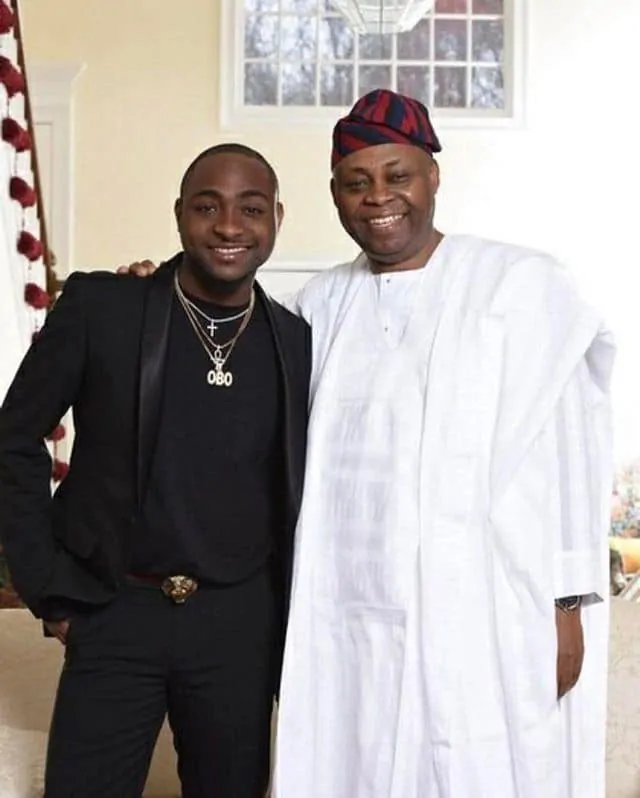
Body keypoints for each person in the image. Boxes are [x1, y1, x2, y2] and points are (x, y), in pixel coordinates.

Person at [122, 90, 615, 798]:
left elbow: (568, 451)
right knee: (353, 762)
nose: (378, 197)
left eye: (397, 175)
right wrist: (154, 296)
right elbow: (223, 376)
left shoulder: (519, 286)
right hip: (347, 610)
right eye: (356, 182)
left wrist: (566, 606)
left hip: (485, 608)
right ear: (334, 195)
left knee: (479, 767)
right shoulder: (318, 306)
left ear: (433, 176)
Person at [0, 142, 311, 798]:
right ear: (179, 214)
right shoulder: (105, 308)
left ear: (277, 218)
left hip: (238, 627)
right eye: (208, 207)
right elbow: (13, 438)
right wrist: (48, 587)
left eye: (251, 209)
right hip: (115, 610)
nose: (229, 226)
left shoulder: (295, 340)